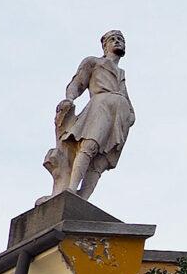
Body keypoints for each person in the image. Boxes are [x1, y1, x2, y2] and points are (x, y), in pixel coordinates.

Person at [43, 30, 135, 199]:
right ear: (104, 46)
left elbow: (125, 96)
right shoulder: (93, 62)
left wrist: (130, 114)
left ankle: (83, 198)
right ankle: (70, 189)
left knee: (103, 159)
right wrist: (69, 99)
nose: (117, 42)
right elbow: (77, 84)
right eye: (112, 39)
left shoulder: (121, 73)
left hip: (119, 114)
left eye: (120, 39)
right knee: (89, 145)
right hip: (101, 106)